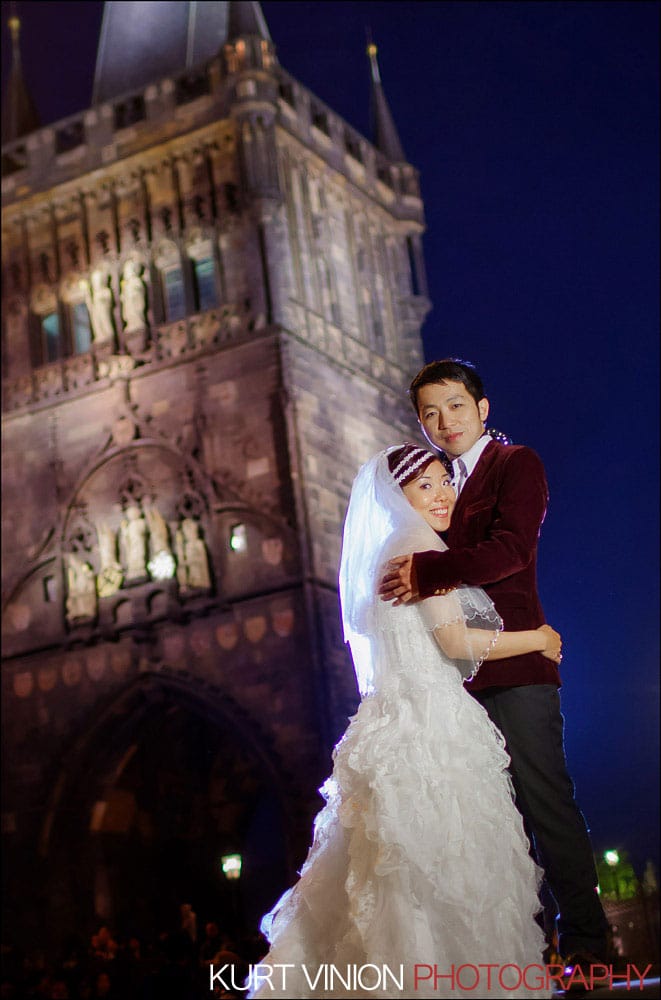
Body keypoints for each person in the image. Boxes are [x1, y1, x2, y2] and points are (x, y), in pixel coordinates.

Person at [249, 444, 562, 999]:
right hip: (429, 726)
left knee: (388, 867)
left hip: (394, 719)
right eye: (425, 487)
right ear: (399, 497)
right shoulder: (417, 549)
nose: (442, 495)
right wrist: (537, 638)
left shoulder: (392, 549)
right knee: (439, 866)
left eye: (445, 481)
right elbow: (456, 641)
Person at [378, 359, 609, 966]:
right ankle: (519, 954)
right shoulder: (435, 484)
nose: (443, 420)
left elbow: (511, 550)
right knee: (490, 822)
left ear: (482, 409)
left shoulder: (516, 465)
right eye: (429, 412)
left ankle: (587, 949)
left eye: (454, 405)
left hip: (516, 666)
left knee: (545, 802)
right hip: (452, 682)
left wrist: (426, 573)